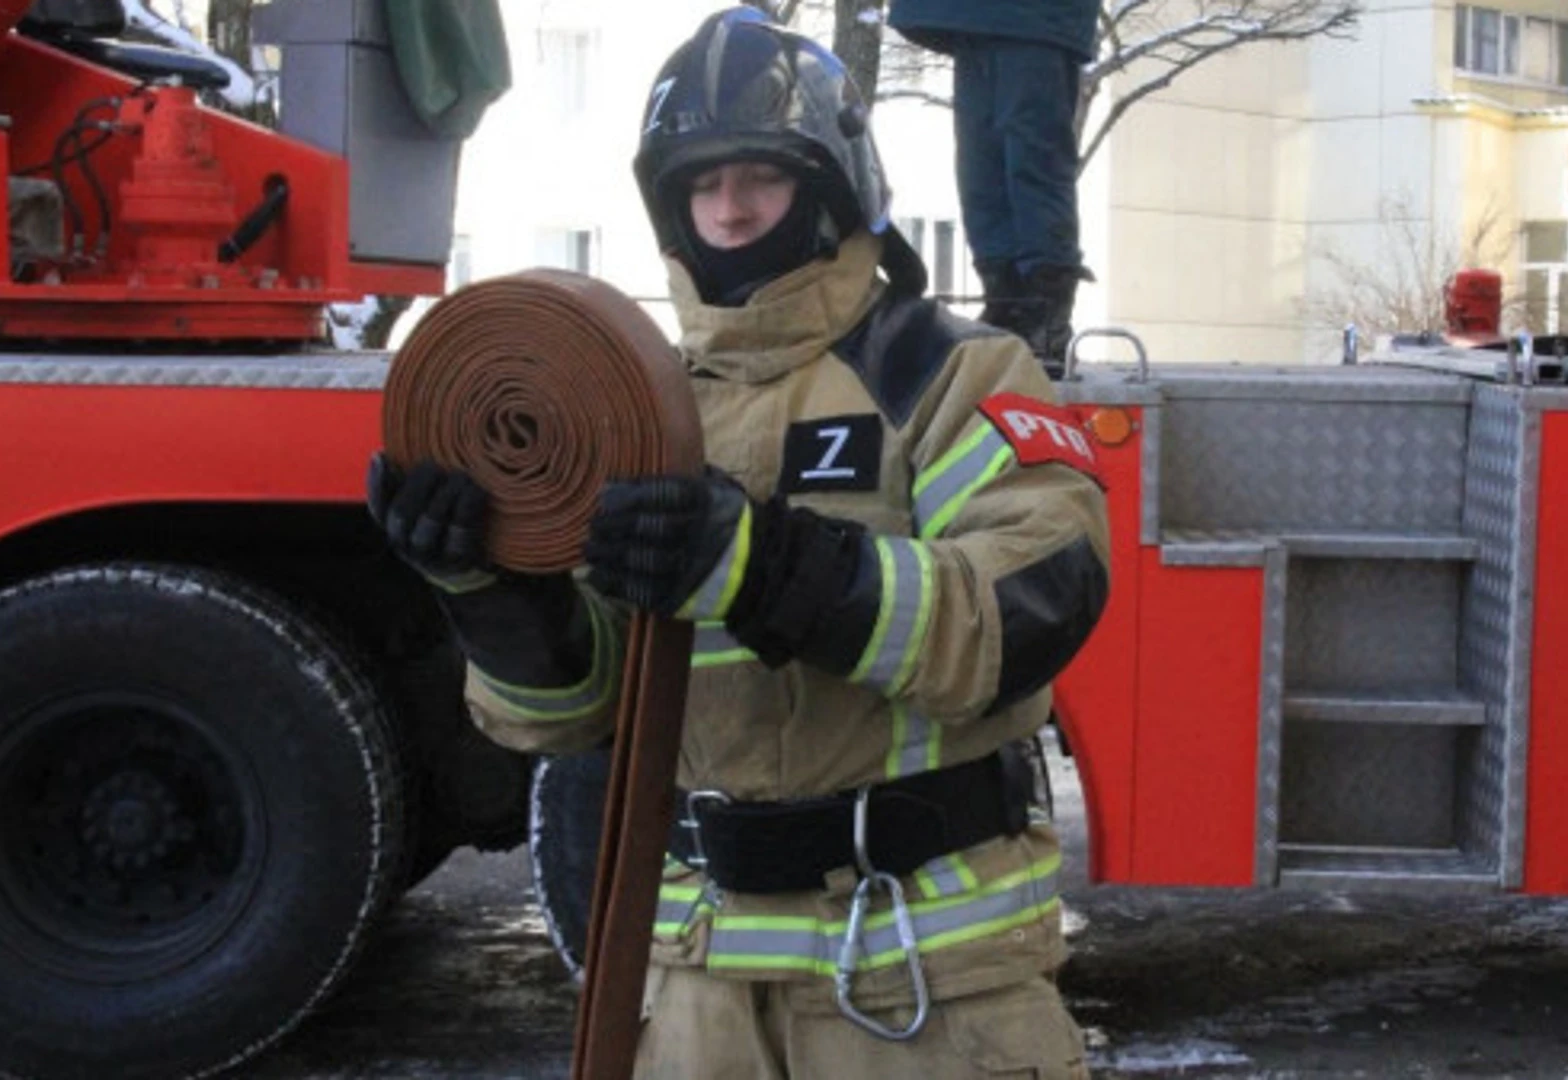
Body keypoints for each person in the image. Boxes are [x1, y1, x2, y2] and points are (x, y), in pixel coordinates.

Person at [368, 8, 1110, 1077]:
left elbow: (1027, 610)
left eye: (761, 174)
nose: (730, 208)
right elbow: (573, 716)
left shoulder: (953, 374)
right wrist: (487, 590)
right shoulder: (636, 407)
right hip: (697, 984)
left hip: (928, 980)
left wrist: (765, 570)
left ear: (833, 185)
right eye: (700, 183)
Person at [888, 0, 1100, 373]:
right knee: (980, 162)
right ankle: (1006, 300)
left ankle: (1043, 310)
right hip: (973, 17)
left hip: (1032, 19)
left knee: (1029, 157)